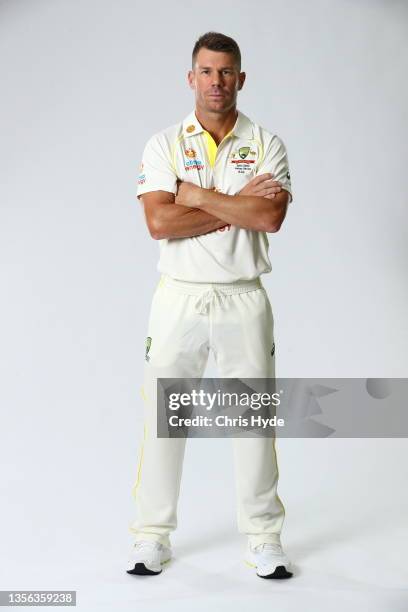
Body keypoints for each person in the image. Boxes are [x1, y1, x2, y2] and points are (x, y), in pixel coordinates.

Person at [127, 31, 294, 579]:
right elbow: (158, 223)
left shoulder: (266, 143)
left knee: (253, 419)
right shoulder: (164, 144)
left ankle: (264, 538)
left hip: (244, 298)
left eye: (226, 72)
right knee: (165, 419)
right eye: (206, 71)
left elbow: (270, 218)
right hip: (178, 297)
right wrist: (236, 207)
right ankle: (152, 537)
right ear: (190, 77)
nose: (216, 82)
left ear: (240, 79)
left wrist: (195, 196)